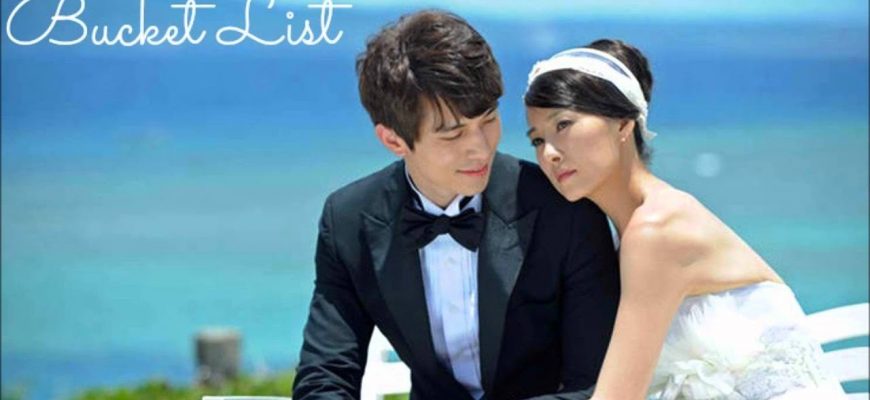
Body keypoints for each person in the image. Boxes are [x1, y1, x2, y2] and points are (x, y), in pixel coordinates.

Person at [292, 11, 621, 400]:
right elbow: (324, 376)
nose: (480, 147)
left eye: (488, 119)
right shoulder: (348, 220)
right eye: (453, 134)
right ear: (393, 140)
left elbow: (594, 386)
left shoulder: (567, 210)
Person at [523, 39, 847, 399]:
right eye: (537, 140)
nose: (549, 153)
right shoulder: (631, 230)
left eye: (563, 124)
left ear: (623, 123)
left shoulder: (657, 231)